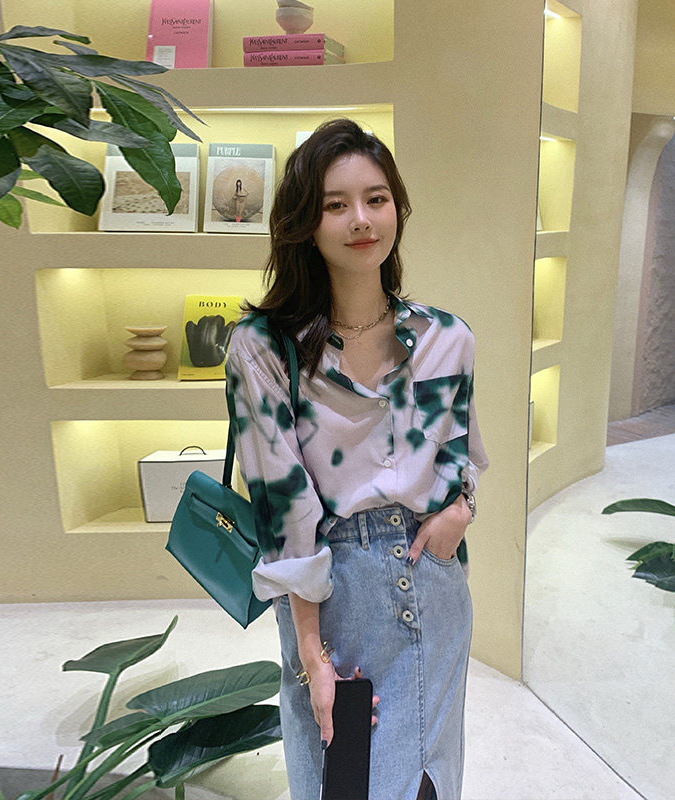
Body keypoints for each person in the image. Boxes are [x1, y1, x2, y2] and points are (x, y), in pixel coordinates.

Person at [225, 118, 489, 800]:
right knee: (344, 785)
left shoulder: (446, 337)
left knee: (430, 782)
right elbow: (283, 511)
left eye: (376, 198)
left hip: (434, 581)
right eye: (335, 204)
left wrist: (461, 510)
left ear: (398, 207)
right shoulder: (265, 347)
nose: (361, 219)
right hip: (336, 594)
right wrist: (311, 655)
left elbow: (463, 450)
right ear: (304, 224)